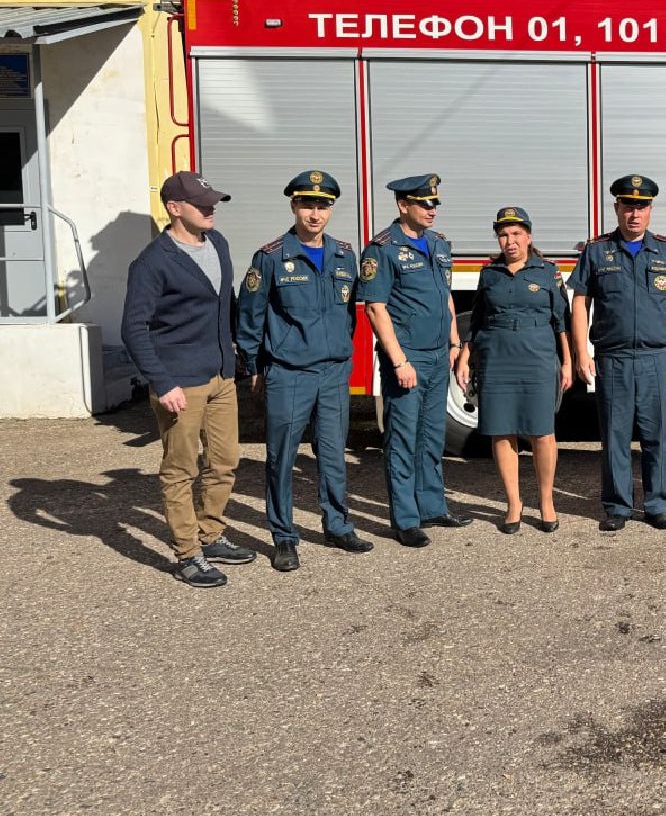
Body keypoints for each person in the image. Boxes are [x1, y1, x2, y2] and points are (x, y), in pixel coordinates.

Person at [121, 171, 253, 587]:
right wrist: (161, 382)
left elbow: (225, 303)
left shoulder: (218, 244)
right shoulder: (153, 262)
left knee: (225, 461)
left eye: (212, 201)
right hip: (180, 383)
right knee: (181, 470)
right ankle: (187, 554)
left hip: (220, 376)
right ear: (174, 208)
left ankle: (211, 534)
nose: (210, 208)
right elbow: (134, 328)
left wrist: (238, 353)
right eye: (201, 203)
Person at [236, 170, 372, 572]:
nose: (315, 213)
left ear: (330, 209)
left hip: (332, 372)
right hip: (288, 373)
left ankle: (337, 525)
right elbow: (249, 318)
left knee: (332, 454)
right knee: (281, 457)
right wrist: (255, 368)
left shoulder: (346, 255)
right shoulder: (271, 257)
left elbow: (349, 316)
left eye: (323, 205)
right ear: (294, 206)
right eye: (308, 204)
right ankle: (283, 536)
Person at [569, 175, 666, 531]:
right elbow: (581, 302)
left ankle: (657, 505)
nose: (634, 214)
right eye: (628, 206)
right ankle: (617, 506)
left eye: (641, 207)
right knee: (615, 436)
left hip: (656, 358)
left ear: (650, 210)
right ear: (617, 209)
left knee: (657, 435)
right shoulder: (597, 251)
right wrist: (582, 352)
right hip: (614, 358)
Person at [357, 174, 469, 548]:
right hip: (408, 358)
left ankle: (432, 505)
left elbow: (446, 296)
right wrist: (399, 360)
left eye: (435, 204)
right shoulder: (382, 249)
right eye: (424, 204)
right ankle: (405, 518)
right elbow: (376, 308)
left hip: (438, 356)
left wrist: (455, 342)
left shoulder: (438, 244)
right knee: (403, 438)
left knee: (432, 434)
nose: (432, 210)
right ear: (403, 205)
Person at [457, 207, 573, 534]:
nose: (510, 241)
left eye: (517, 234)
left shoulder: (547, 272)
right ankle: (513, 503)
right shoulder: (489, 273)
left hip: (537, 355)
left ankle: (546, 500)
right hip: (496, 356)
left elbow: (560, 321)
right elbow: (478, 320)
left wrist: (566, 362)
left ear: (529, 236)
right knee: (502, 429)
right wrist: (465, 357)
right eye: (504, 235)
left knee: (542, 432)